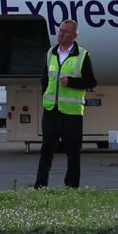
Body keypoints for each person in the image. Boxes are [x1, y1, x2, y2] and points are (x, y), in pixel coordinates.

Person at [33, 19, 96, 189]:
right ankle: (40, 185)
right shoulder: (51, 53)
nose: (60, 34)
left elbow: (91, 81)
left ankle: (72, 186)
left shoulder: (82, 55)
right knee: (46, 149)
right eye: (60, 30)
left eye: (65, 31)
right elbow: (45, 78)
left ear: (74, 35)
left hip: (72, 112)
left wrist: (72, 82)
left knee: (73, 152)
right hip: (51, 110)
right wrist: (45, 93)